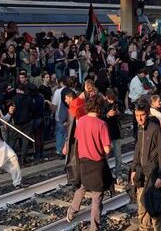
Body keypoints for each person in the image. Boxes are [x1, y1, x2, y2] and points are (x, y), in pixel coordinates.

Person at [66, 96, 112, 231]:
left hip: (83, 162)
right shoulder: (101, 124)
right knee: (97, 196)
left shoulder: (82, 121)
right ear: (99, 108)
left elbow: (77, 139)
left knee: (83, 186)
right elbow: (107, 148)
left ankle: (72, 210)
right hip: (97, 164)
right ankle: (94, 227)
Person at [131, 103, 161, 231]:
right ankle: (144, 229)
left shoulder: (154, 128)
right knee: (142, 208)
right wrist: (133, 169)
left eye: (142, 115)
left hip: (153, 173)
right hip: (141, 173)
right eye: (137, 115)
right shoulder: (138, 128)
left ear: (147, 113)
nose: (139, 118)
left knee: (155, 208)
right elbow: (137, 150)